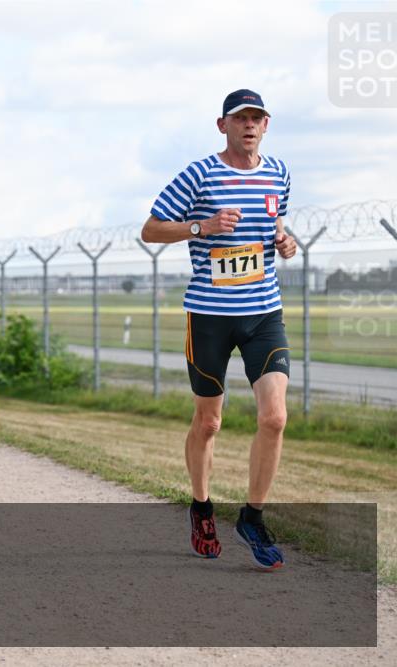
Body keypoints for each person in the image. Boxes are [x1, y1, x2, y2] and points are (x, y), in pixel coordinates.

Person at [141, 89, 297, 570]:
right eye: (240, 118)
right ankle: (202, 507)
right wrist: (201, 227)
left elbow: (277, 224)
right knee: (209, 422)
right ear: (222, 125)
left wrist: (286, 241)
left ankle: (252, 516)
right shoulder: (199, 174)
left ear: (266, 126)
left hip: (263, 314)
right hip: (208, 316)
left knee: (274, 417)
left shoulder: (279, 173)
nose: (249, 125)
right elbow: (150, 228)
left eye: (257, 118)